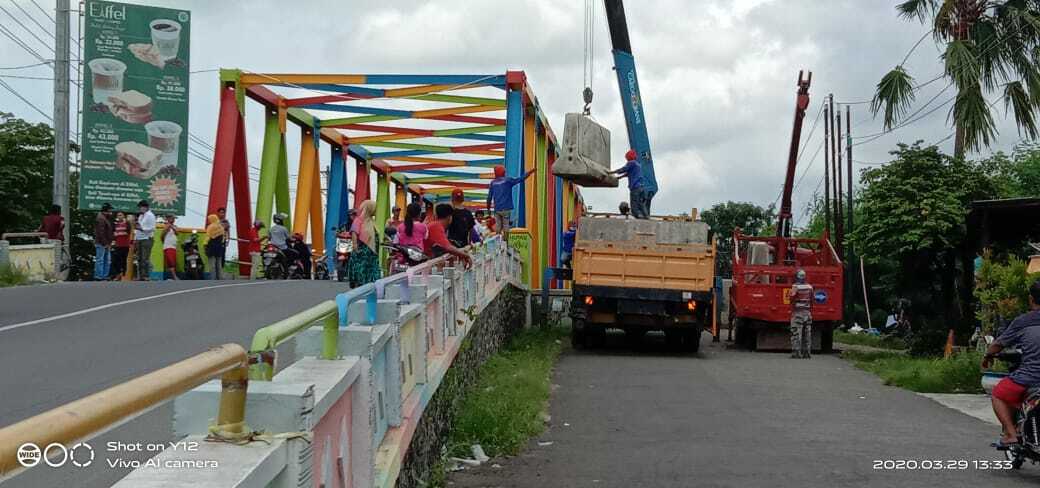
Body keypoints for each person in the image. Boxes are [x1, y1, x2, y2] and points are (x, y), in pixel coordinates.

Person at [982, 280, 1040, 448]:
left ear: (1031, 299)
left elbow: (997, 345)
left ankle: (1011, 434)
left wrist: (988, 355)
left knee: (998, 394)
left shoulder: (1023, 321)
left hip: (1031, 377)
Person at [486, 165, 536, 235]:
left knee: (498, 227)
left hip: (497, 209)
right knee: (506, 226)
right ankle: (505, 241)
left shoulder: (493, 183)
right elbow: (520, 179)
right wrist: (530, 172)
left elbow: (489, 197)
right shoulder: (508, 180)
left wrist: (488, 209)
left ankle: (498, 240)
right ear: (503, 172)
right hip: (506, 208)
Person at [347, 200, 381, 287]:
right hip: (362, 253)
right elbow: (354, 232)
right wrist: (355, 246)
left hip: (372, 254)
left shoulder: (371, 221)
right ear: (369, 209)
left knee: (373, 276)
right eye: (374, 208)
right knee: (362, 272)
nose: (375, 210)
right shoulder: (358, 220)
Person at [612, 149, 648, 219]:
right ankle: (646, 216)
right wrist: (620, 177)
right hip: (641, 187)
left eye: (627, 158)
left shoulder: (631, 163)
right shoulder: (638, 165)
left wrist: (612, 172)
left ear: (629, 157)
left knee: (634, 202)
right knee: (641, 203)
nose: (627, 160)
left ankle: (635, 216)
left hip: (635, 187)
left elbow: (623, 169)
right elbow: (628, 174)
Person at [788, 269, 813, 359]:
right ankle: (807, 353)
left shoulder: (795, 287)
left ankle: (796, 353)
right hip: (807, 313)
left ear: (797, 277)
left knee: (796, 332)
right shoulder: (810, 287)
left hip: (798, 312)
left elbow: (791, 297)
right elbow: (812, 300)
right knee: (807, 333)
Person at [134, 200, 156, 280]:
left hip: (147, 238)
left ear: (145, 207)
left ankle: (146, 275)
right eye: (139, 207)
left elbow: (152, 228)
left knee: (145, 258)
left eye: (141, 207)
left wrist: (142, 229)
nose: (140, 209)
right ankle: (141, 276)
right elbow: (137, 228)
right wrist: (135, 239)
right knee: (139, 258)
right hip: (140, 238)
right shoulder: (141, 216)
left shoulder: (150, 215)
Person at [93, 203, 114, 280]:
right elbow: (100, 232)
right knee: (101, 259)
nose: (111, 212)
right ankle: (99, 275)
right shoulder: (101, 218)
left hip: (105, 242)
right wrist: (105, 243)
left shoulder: (104, 217)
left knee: (106, 260)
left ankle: (104, 275)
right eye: (110, 210)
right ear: (106, 210)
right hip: (102, 243)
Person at [205, 213, 226, 280]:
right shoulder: (221, 227)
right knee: (219, 264)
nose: (209, 221)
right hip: (219, 247)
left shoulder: (210, 227)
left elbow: (208, 237)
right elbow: (223, 239)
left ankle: (213, 278)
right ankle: (219, 277)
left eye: (209, 219)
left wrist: (205, 244)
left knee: (212, 264)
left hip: (211, 247)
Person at [111, 211, 131, 280]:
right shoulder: (115, 224)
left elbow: (129, 232)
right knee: (116, 260)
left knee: (124, 259)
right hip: (117, 244)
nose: (119, 217)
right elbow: (113, 233)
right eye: (118, 215)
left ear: (123, 216)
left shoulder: (127, 223)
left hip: (125, 244)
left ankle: (124, 273)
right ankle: (118, 274)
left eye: (121, 215)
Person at [162, 214, 179, 280]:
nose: (174, 219)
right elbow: (162, 235)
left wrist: (171, 226)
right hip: (168, 246)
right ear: (168, 219)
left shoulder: (174, 226)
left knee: (173, 262)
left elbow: (177, 233)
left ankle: (172, 277)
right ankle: (174, 277)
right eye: (172, 218)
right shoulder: (166, 226)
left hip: (173, 247)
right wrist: (168, 226)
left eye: (174, 218)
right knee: (171, 262)